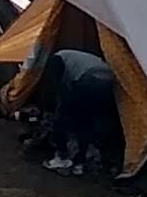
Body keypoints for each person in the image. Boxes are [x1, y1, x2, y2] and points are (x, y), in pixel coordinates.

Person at [32, 45, 123, 178]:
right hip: (109, 80)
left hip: (89, 78)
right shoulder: (73, 57)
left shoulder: (57, 59)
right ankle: (80, 162)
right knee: (86, 121)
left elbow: (57, 87)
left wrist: (53, 107)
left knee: (63, 117)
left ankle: (61, 157)